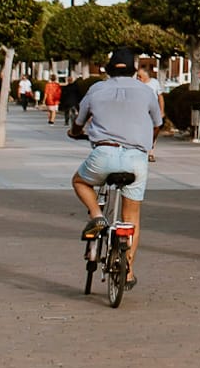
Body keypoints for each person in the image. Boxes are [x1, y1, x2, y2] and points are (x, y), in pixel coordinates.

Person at [69, 50, 161, 286]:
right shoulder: (147, 91)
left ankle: (97, 216)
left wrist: (75, 133)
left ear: (109, 69)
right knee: (131, 218)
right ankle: (128, 272)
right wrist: (148, 141)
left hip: (104, 154)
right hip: (136, 159)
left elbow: (79, 122)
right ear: (134, 69)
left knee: (80, 181)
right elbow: (157, 124)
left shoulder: (96, 89)